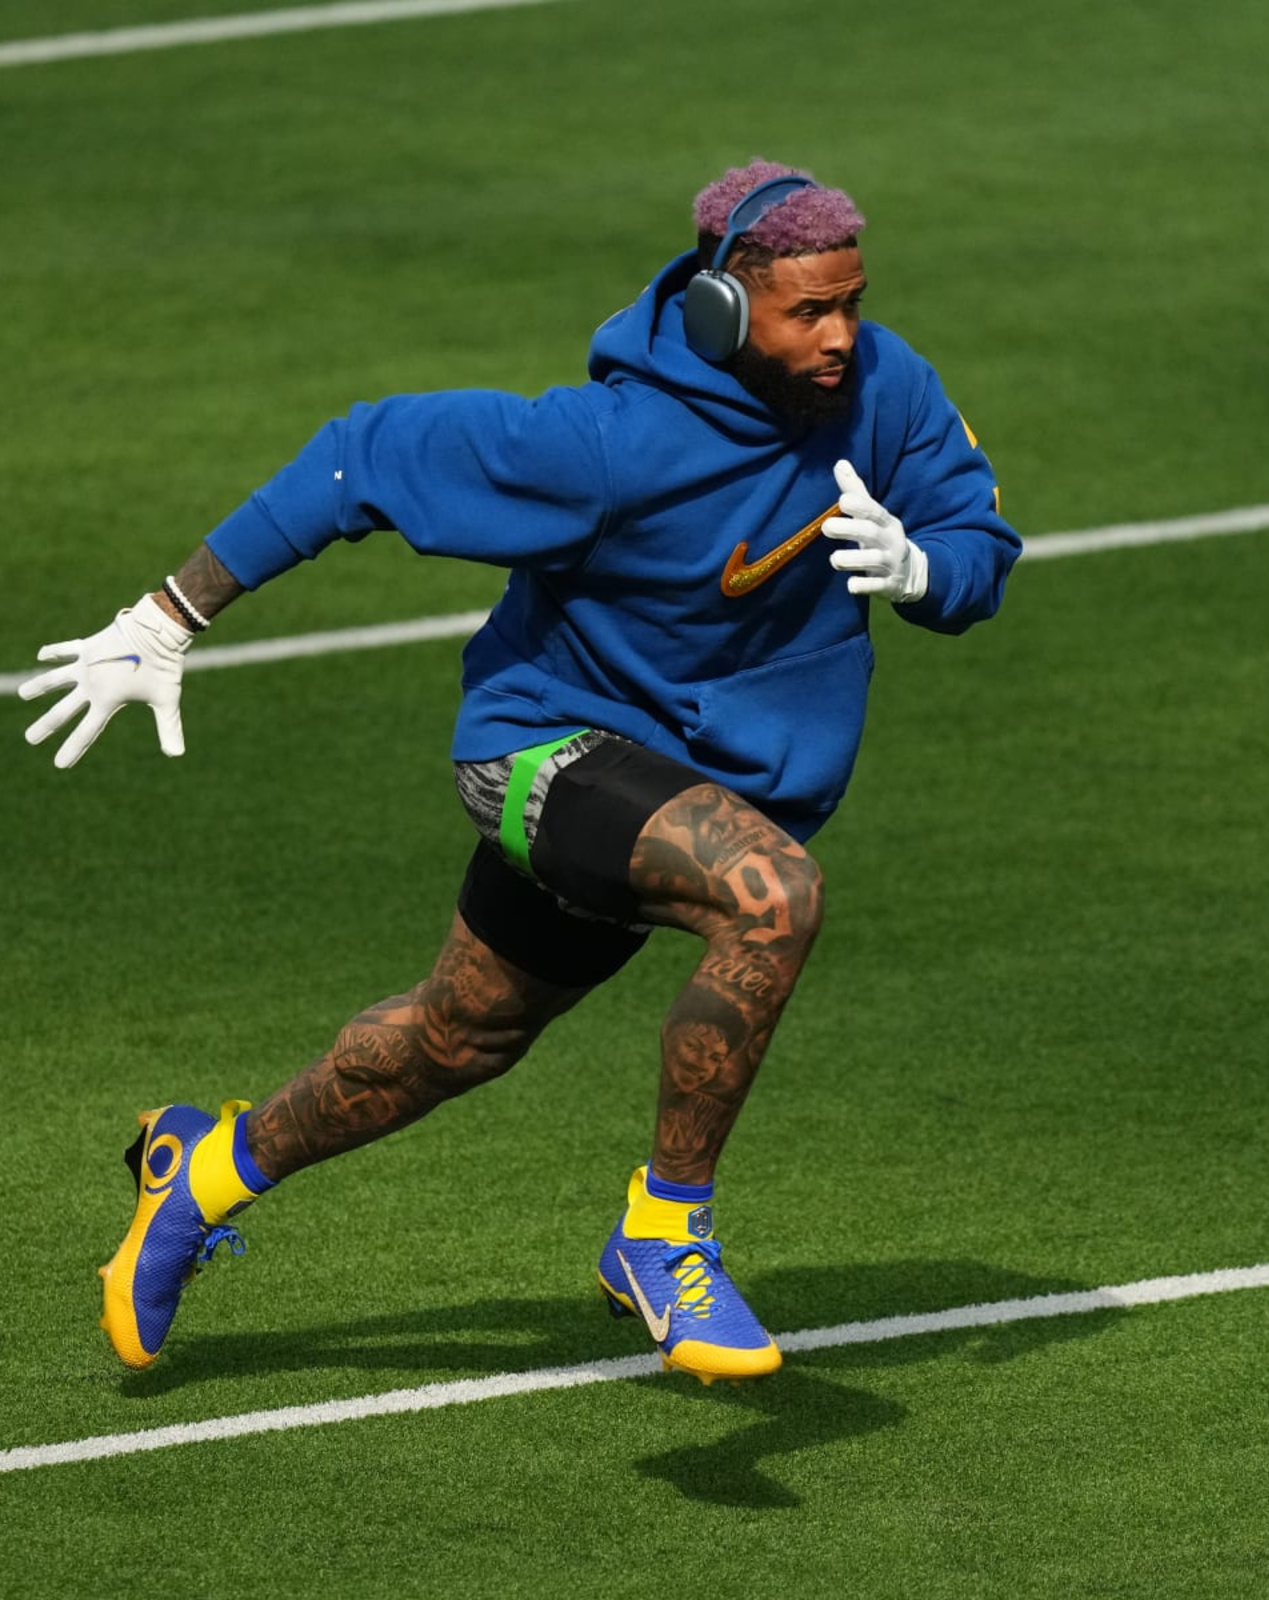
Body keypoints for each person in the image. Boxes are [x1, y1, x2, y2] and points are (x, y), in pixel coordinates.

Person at [18, 159, 1021, 1385]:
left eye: (852, 302)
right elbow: (365, 455)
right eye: (808, 311)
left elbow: (978, 537)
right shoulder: (609, 443)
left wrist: (926, 570)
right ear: (719, 308)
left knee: (453, 1038)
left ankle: (203, 1169)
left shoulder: (883, 386)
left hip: (684, 786)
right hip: (545, 747)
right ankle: (663, 1235)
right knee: (773, 895)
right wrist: (169, 616)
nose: (841, 337)